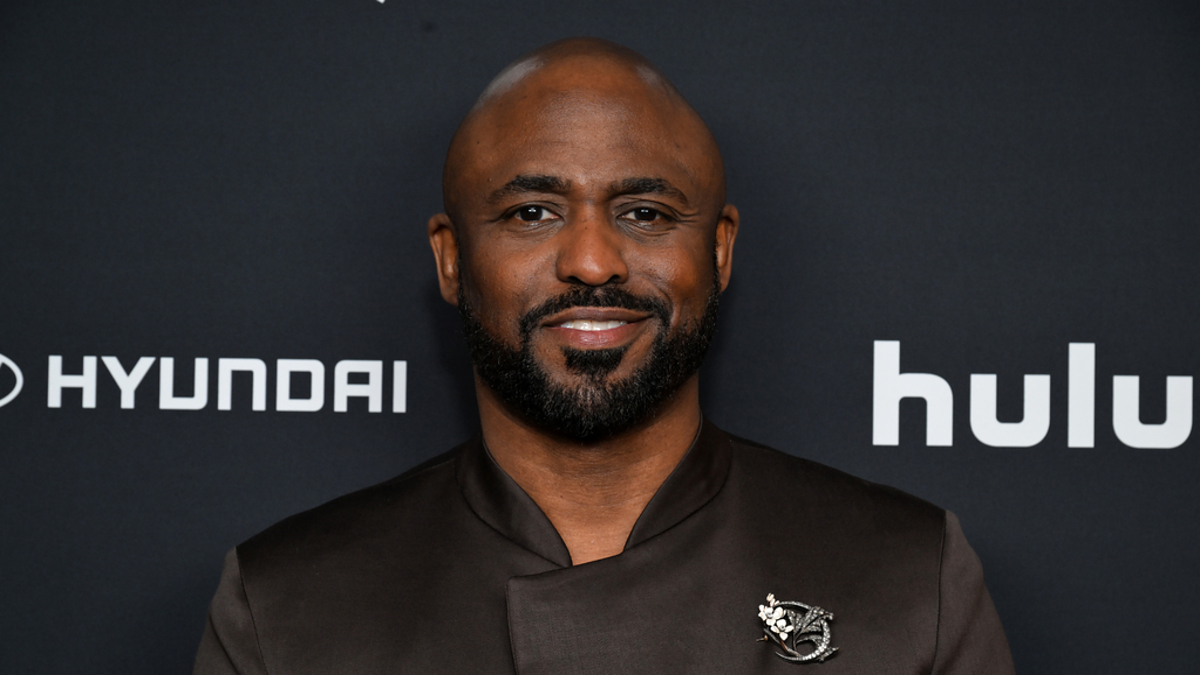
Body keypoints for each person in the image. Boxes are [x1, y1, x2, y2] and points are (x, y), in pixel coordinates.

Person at [193, 37, 1015, 674]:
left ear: (721, 251)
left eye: (647, 212)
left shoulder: (908, 577)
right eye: (533, 212)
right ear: (450, 261)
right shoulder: (286, 603)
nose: (593, 260)